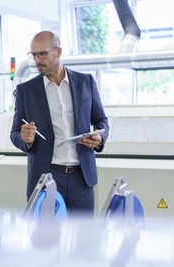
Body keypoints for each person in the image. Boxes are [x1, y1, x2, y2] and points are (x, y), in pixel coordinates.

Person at [10, 31, 109, 215]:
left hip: (82, 178)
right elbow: (15, 133)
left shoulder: (85, 82)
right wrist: (25, 138)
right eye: (33, 55)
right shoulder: (26, 91)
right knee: (46, 240)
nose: (37, 60)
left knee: (82, 238)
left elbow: (101, 120)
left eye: (42, 54)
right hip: (46, 178)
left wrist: (100, 137)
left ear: (58, 52)